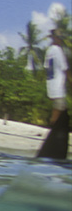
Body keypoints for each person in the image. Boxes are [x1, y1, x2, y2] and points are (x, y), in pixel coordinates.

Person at [37, 25, 68, 160]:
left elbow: (46, 68)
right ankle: (53, 138)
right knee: (61, 111)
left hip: (51, 85)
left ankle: (52, 133)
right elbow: (65, 68)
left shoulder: (49, 50)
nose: (60, 40)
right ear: (56, 38)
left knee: (57, 112)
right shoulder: (57, 50)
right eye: (59, 38)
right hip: (58, 86)